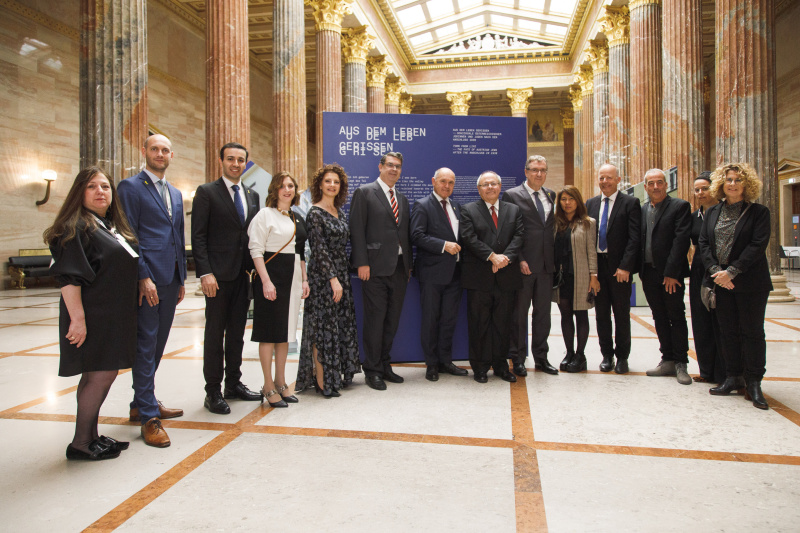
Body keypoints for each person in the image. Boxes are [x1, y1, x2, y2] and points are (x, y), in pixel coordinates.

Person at [44, 167, 138, 460]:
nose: (101, 191)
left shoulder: (103, 225)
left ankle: (91, 435)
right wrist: (78, 319)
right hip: (93, 314)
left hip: (110, 314)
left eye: (106, 187)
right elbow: (69, 278)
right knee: (99, 375)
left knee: (97, 375)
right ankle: (81, 443)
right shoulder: (75, 227)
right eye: (92, 187)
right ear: (79, 193)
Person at [116, 134, 185, 448]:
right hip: (148, 280)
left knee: (158, 343)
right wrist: (142, 277)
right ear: (144, 152)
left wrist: (182, 278)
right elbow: (128, 235)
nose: (160, 153)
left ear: (172, 155)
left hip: (171, 278)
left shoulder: (176, 192)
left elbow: (177, 235)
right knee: (146, 343)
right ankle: (148, 417)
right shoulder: (131, 188)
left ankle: (140, 402)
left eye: (165, 150)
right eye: (154, 149)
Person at [191, 142, 263, 414]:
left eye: (240, 159)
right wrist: (205, 272)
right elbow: (198, 236)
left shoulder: (252, 195)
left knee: (236, 333)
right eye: (230, 159)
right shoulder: (207, 192)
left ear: (246, 162)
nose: (235, 163)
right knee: (214, 333)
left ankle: (234, 383)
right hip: (217, 278)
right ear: (221, 161)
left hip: (244, 276)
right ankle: (213, 391)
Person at [699, 163, 773, 410]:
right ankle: (732, 377)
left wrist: (731, 271)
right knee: (727, 330)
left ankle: (753, 382)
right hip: (720, 282)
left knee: (752, 332)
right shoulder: (712, 212)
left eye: (738, 180)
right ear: (721, 183)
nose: (733, 184)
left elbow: (757, 245)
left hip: (750, 283)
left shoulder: (759, 212)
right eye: (729, 179)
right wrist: (715, 272)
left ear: (746, 185)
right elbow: (704, 244)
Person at [296, 164, 361, 397]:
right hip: (324, 277)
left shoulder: (340, 212)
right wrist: (333, 279)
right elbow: (319, 250)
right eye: (328, 181)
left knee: (338, 326)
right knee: (321, 328)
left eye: (336, 182)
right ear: (319, 185)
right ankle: (323, 381)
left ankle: (336, 375)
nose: (332, 185)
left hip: (341, 273)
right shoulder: (314, 213)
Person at [349, 152, 411, 391]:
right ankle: (372, 370)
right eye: (390, 165)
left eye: (398, 166)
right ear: (381, 167)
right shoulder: (365, 192)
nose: (394, 170)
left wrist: (408, 266)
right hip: (373, 269)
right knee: (375, 321)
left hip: (398, 269)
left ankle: (385, 365)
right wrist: (361, 263)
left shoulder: (402, 199)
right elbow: (356, 230)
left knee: (392, 321)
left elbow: (403, 234)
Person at [248, 172, 309, 407]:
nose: (288, 190)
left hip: (292, 278)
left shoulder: (295, 217)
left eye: (291, 186)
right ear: (275, 189)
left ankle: (281, 383)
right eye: (283, 186)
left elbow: (300, 252)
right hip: (271, 277)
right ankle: (267, 385)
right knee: (269, 334)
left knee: (285, 333)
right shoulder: (264, 215)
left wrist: (304, 279)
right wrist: (265, 281)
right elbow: (255, 250)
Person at [460, 171, 524, 384]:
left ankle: (500, 365)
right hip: (479, 278)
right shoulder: (468, 210)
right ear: (479, 189)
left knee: (503, 324)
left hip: (506, 277)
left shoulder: (513, 210)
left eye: (494, 183)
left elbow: (519, 236)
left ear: (500, 186)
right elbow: (468, 238)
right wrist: (491, 257)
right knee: (479, 324)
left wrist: (505, 258)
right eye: (485, 184)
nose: (490, 187)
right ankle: (479, 367)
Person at [410, 167, 469, 381]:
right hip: (432, 274)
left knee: (449, 320)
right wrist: (444, 245)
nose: (447, 186)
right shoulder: (422, 205)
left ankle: (445, 361)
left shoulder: (455, 206)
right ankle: (432, 364)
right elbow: (416, 235)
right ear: (433, 181)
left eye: (451, 183)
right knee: (431, 320)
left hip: (455, 274)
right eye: (443, 181)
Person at [503, 155, 558, 376]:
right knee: (519, 315)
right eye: (534, 170)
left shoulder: (551, 195)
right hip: (523, 265)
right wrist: (520, 259)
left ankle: (541, 358)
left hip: (546, 266)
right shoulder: (512, 195)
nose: (539, 174)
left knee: (543, 315)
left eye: (543, 170)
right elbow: (509, 232)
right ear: (526, 172)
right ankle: (517, 358)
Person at [585, 163, 641, 374]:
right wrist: (591, 272)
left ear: (618, 180)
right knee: (601, 314)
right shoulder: (590, 203)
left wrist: (626, 266)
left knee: (621, 313)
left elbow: (634, 238)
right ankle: (606, 355)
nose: (605, 182)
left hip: (620, 269)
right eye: (601, 178)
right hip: (597, 268)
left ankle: (622, 357)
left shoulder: (630, 203)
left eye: (609, 178)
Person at [641, 169, 693, 385]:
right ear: (645, 187)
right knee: (659, 316)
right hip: (649, 273)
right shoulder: (643, 209)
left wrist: (672, 273)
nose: (655, 187)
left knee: (676, 316)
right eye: (651, 183)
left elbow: (681, 241)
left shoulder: (679, 207)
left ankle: (681, 363)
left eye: (659, 182)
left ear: (666, 184)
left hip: (670, 275)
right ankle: (667, 359)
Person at [553, 186, 600, 373]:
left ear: (578, 201)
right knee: (565, 315)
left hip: (580, 276)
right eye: (563, 199)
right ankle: (570, 353)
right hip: (561, 277)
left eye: (571, 199)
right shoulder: (556, 223)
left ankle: (581, 355)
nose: (567, 203)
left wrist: (593, 276)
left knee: (581, 314)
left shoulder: (588, 222)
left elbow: (592, 251)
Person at [688, 171, 724, 384]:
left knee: (720, 321)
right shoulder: (693, 217)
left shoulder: (724, 213)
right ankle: (706, 370)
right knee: (700, 320)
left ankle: (723, 372)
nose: (701, 193)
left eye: (705, 188)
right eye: (697, 189)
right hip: (699, 269)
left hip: (719, 270)